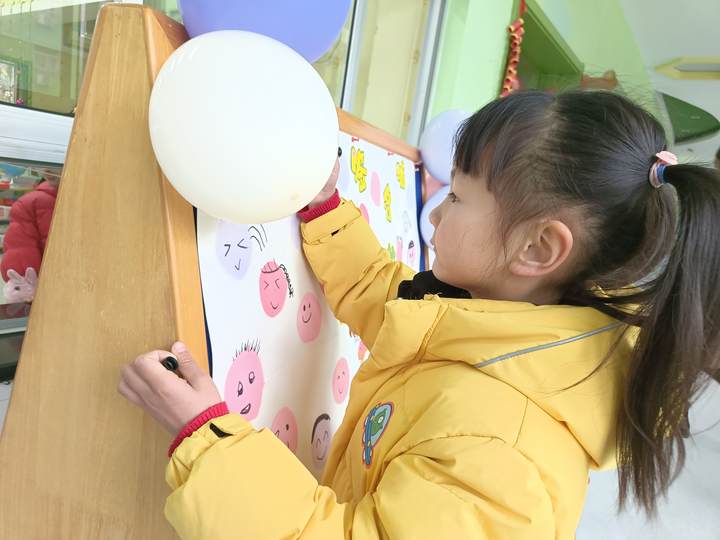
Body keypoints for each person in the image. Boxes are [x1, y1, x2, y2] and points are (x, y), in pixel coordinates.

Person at [118, 90, 720, 539]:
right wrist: (324, 209)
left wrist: (207, 441)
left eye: (457, 197)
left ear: (537, 249)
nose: (434, 215)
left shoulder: (500, 450)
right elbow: (389, 301)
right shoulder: (501, 327)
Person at [1, 169, 59, 303]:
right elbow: (47, 240)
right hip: (34, 272)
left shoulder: (32, 199)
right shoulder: (41, 201)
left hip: (17, 265)